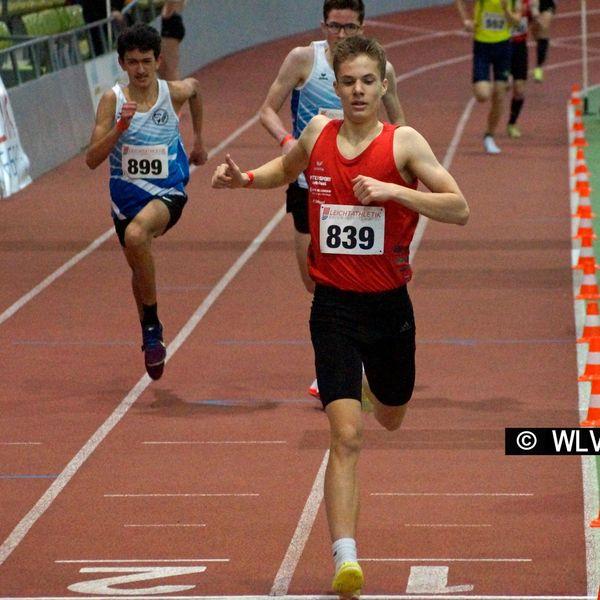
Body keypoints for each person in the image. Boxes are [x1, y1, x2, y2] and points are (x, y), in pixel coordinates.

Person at [212, 35, 469, 599]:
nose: (357, 90)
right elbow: (288, 168)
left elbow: (459, 207)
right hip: (332, 308)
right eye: (347, 81)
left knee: (392, 415)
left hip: (389, 307)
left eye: (367, 81)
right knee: (346, 434)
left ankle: (382, 390)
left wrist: (395, 194)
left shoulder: (403, 143)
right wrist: (245, 179)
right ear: (335, 82)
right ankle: (345, 558)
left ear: (383, 86)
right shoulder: (317, 132)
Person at [259, 0, 406, 398]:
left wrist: (390, 163)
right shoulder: (303, 59)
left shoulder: (380, 69)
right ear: (323, 24)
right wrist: (291, 145)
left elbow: (401, 123)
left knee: (354, 278)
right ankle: (341, 355)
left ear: (364, 25)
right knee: (314, 281)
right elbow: (267, 111)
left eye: (350, 28)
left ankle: (343, 364)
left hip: (360, 194)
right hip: (311, 188)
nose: (341, 35)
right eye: (334, 27)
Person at [85, 23, 207, 380]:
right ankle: (149, 331)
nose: (140, 69)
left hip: (168, 191)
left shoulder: (174, 92)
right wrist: (118, 130)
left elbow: (197, 90)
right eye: (133, 62)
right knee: (138, 267)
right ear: (122, 63)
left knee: (138, 238)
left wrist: (199, 140)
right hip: (125, 200)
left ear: (158, 61)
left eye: (146, 61)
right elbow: (92, 159)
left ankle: (152, 328)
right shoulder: (113, 100)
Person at [455, 0, 522, 154]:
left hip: (504, 47)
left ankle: (489, 136)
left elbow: (517, 22)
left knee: (499, 94)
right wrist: (466, 20)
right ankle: (497, 83)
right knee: (482, 95)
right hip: (482, 46)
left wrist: (506, 10)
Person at [506, 0, 539, 138]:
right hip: (503, 46)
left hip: (520, 48)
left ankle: (512, 123)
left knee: (519, 90)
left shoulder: (530, 2)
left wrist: (535, 16)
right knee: (503, 86)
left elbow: (535, 25)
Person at [158, 0, 186, 81]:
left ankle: (178, 91)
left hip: (170, 32)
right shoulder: (175, 7)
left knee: (171, 68)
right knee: (164, 66)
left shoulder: (170, 8)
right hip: (171, 28)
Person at [531, 0, 555, 83]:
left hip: (546, 4)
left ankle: (538, 69)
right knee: (536, 32)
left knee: (544, 27)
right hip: (530, 3)